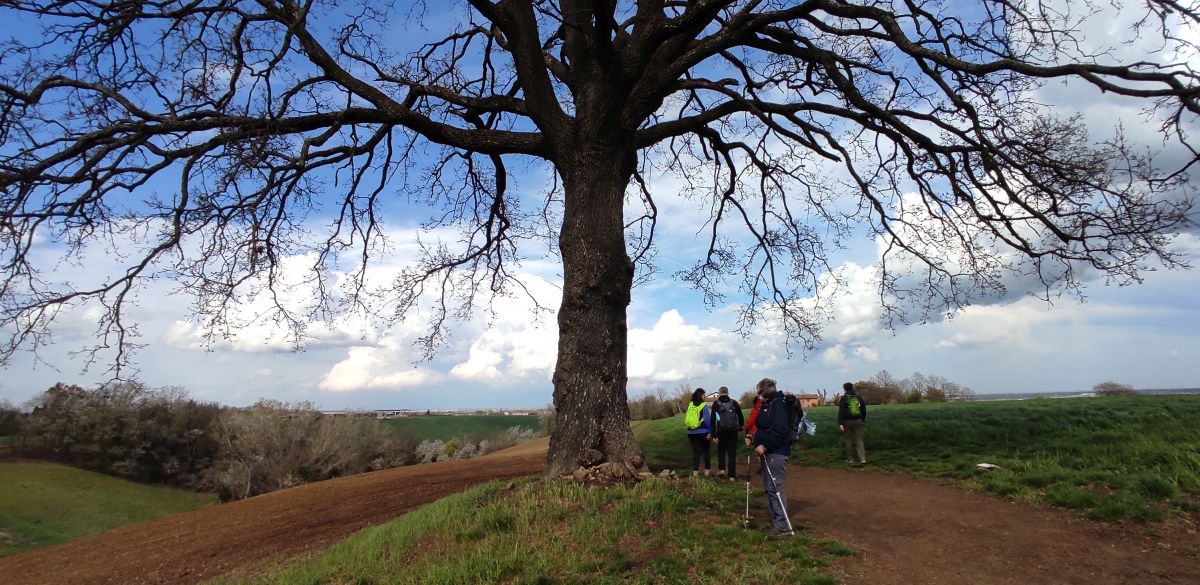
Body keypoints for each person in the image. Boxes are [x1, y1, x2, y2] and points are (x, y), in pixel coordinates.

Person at [751, 377, 794, 536]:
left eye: (759, 391)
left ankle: (782, 525)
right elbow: (764, 427)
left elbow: (781, 432)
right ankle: (775, 521)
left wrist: (765, 445)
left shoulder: (777, 404)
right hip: (767, 453)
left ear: (765, 390)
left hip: (776, 453)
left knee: (775, 488)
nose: (758, 394)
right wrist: (754, 439)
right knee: (769, 488)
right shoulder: (768, 404)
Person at [711, 386, 744, 481]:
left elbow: (713, 420)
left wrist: (714, 435)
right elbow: (740, 416)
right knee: (732, 453)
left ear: (719, 393)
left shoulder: (716, 404)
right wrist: (741, 426)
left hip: (721, 431)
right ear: (728, 393)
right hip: (733, 432)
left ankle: (721, 470)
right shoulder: (734, 403)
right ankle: (732, 476)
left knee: (721, 451)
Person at [684, 387, 714, 477]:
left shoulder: (690, 405)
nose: (705, 396)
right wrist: (710, 432)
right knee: (706, 451)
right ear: (701, 395)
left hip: (691, 433)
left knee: (696, 452)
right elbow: (707, 420)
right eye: (704, 395)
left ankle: (695, 472)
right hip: (703, 432)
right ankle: (707, 471)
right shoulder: (703, 405)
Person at [838, 381, 867, 464]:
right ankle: (863, 459)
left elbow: (841, 412)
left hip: (847, 422)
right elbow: (864, 410)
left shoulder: (844, 398)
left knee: (848, 440)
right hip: (858, 421)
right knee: (859, 440)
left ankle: (850, 459)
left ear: (845, 389)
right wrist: (862, 420)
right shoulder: (859, 397)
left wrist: (840, 423)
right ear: (852, 388)